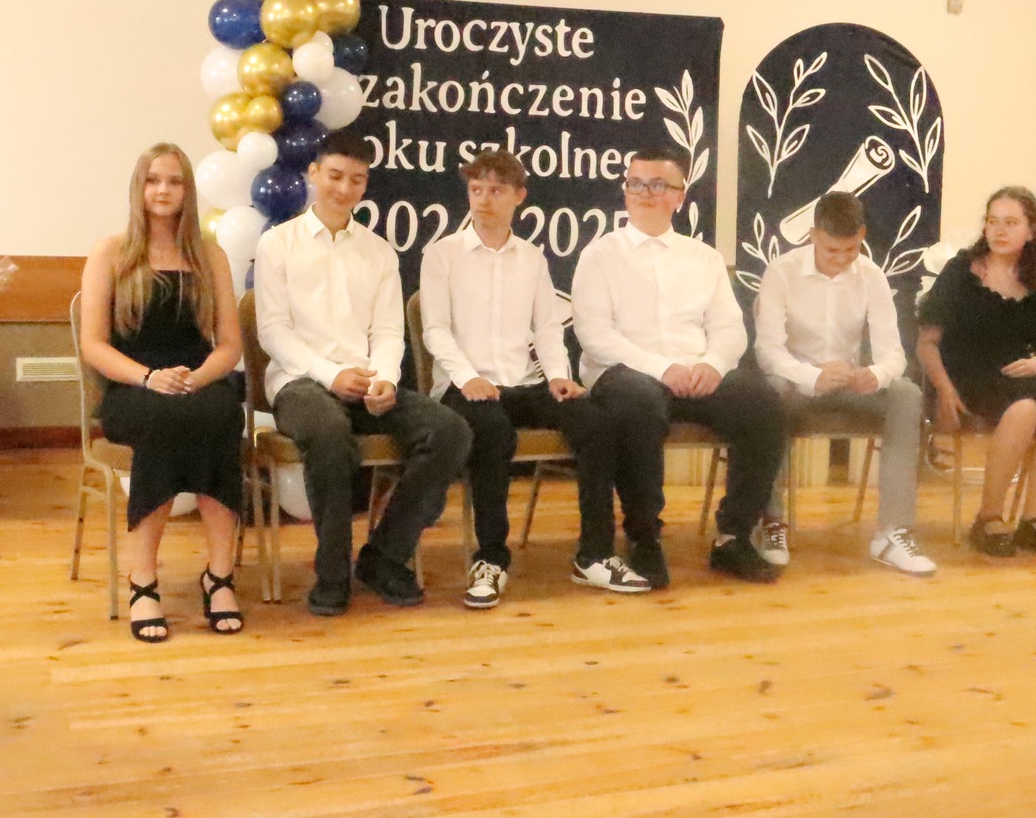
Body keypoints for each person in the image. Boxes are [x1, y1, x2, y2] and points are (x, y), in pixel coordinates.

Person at [254, 130, 471, 616]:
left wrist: (386, 379)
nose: (344, 188)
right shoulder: (277, 244)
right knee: (329, 433)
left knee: (450, 430)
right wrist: (331, 375)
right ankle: (332, 571)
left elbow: (389, 331)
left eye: (356, 179)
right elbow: (273, 331)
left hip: (368, 380)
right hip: (300, 382)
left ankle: (384, 556)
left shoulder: (378, 252)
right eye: (334, 176)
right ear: (313, 174)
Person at [419, 149, 647, 608]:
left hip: (523, 383)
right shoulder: (441, 255)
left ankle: (595, 555)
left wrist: (559, 376)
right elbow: (435, 331)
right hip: (464, 387)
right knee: (492, 430)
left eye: (496, 190)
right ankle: (491, 558)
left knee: (595, 423)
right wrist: (467, 377)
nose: (484, 200)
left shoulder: (532, 258)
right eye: (476, 189)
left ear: (518, 196)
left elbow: (546, 328)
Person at [571, 147, 787, 589]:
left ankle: (733, 536)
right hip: (626, 373)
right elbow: (594, 334)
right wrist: (662, 367)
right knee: (638, 402)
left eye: (658, 185)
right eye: (635, 184)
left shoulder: (703, 257)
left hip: (696, 372)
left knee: (763, 404)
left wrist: (713, 363)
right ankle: (644, 536)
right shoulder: (600, 255)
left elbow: (729, 327)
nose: (644, 193)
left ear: (679, 196)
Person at [79, 144, 246, 641]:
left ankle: (219, 575)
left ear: (188, 191)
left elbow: (229, 345)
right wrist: (149, 378)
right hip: (133, 385)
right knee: (163, 419)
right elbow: (93, 344)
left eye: (174, 181)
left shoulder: (210, 255)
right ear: (139, 188)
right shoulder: (110, 252)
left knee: (221, 415)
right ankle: (143, 580)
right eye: (153, 180)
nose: (163, 190)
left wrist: (198, 378)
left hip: (198, 379)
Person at [754, 192, 935, 576]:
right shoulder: (781, 272)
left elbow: (894, 353)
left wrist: (877, 374)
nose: (841, 259)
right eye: (832, 250)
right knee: (769, 390)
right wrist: (812, 375)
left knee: (906, 393)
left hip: (849, 384)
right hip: (795, 386)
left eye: (850, 250)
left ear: (862, 236)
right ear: (813, 236)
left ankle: (892, 533)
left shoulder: (871, 275)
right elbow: (768, 352)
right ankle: (772, 524)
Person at [916, 186, 1036, 556]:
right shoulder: (961, 271)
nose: (999, 230)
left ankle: (1033, 519)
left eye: (1010, 223)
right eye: (993, 222)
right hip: (965, 372)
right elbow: (926, 343)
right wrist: (944, 390)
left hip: (1019, 371)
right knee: (1023, 409)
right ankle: (989, 517)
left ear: (1031, 230)